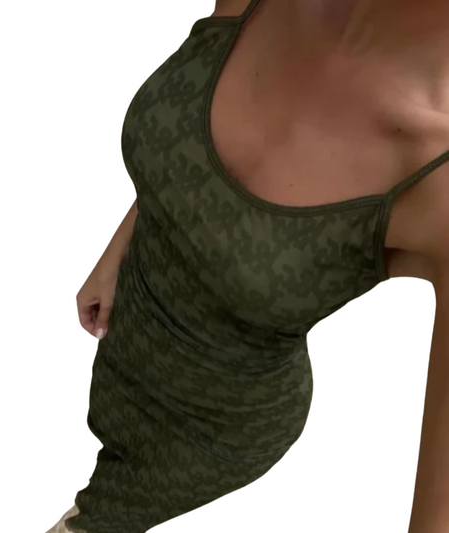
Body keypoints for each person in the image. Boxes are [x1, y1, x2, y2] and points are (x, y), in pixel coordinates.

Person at [45, 0, 449, 532]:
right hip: (129, 338)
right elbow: (187, 137)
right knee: (104, 461)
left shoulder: (436, 181)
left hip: (215, 426)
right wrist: (116, 249)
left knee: (97, 518)